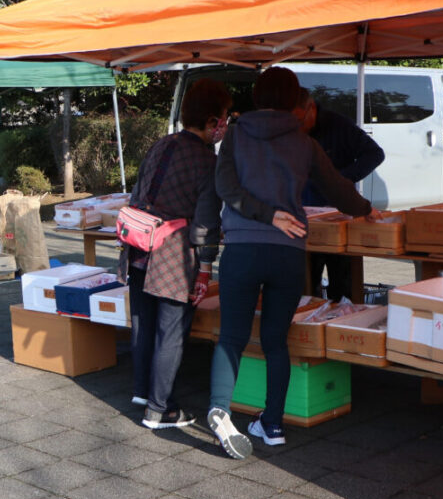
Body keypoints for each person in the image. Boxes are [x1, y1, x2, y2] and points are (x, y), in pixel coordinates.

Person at [207, 67, 376, 458]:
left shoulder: (234, 135)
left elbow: (225, 188)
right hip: (288, 252)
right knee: (275, 341)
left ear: (255, 95)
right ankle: (273, 424)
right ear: (295, 99)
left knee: (231, 336)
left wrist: (261, 214)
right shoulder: (304, 142)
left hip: (242, 248)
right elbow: (338, 188)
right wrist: (367, 210)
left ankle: (219, 408)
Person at [124, 78, 230, 430]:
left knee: (143, 323)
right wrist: (205, 267)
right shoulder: (206, 160)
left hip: (138, 244)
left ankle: (142, 391)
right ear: (213, 120)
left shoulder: (161, 144)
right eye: (224, 119)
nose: (225, 126)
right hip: (172, 253)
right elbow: (205, 223)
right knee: (170, 332)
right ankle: (160, 409)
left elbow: (139, 190)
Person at [298, 89, 386, 301]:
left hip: (341, 215)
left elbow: (375, 154)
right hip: (306, 218)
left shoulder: (339, 125)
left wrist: (341, 179)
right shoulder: (291, 132)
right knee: (306, 286)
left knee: (343, 285)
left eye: (300, 120)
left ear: (311, 109)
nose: (297, 126)